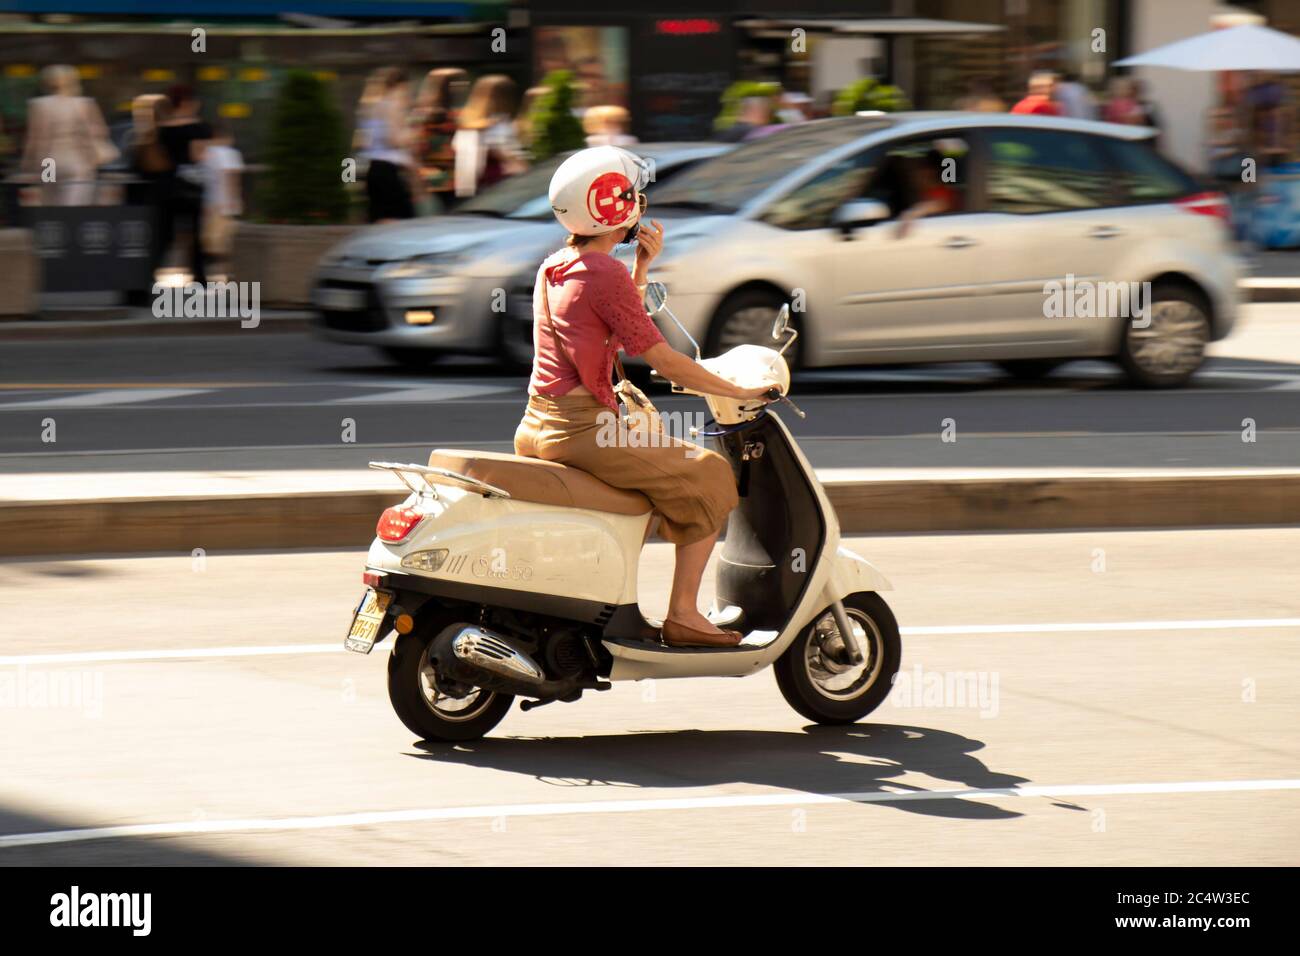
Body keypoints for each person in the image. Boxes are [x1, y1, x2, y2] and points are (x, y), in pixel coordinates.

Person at [514, 146, 781, 648]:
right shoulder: (603, 274)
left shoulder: (557, 266)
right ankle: (683, 614)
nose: (639, 201)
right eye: (631, 193)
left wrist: (640, 264)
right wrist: (739, 390)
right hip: (583, 431)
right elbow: (662, 358)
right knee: (711, 474)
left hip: (538, 425)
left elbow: (607, 322)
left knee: (657, 474)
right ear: (611, 205)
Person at [20, 64, 116, 206]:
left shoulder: (39, 105)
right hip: (78, 161)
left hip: (49, 161)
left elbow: (37, 138)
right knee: (75, 205)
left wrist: (28, 163)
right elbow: (99, 132)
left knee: (50, 203)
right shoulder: (84, 104)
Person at [158, 84, 211, 285]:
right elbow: (197, 155)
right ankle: (199, 278)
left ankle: (145, 282)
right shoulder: (199, 128)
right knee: (195, 235)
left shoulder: (163, 128)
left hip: (167, 185)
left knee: (165, 236)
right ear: (188, 102)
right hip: (191, 186)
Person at [357, 67, 416, 222]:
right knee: (400, 221)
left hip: (374, 169)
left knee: (380, 221)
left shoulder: (372, 105)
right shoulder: (391, 105)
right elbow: (394, 139)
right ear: (401, 86)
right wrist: (413, 134)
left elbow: (364, 142)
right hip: (388, 171)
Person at [454, 74, 526, 198]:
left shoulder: (468, 122)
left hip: (473, 186)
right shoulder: (499, 124)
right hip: (499, 185)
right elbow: (506, 152)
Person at [411, 67, 467, 212]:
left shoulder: (421, 115)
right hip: (440, 180)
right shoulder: (451, 116)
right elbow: (417, 147)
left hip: (441, 179)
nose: (462, 88)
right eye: (457, 84)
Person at [200, 120, 244, 279]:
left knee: (211, 241)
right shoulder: (230, 153)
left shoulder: (207, 153)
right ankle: (227, 273)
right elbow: (232, 176)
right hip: (225, 204)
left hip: (210, 203)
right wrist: (233, 200)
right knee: (225, 241)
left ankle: (214, 272)